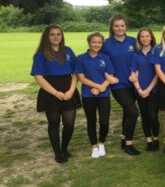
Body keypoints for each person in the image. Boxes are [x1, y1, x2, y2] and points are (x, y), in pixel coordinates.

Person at [31, 24, 81, 163]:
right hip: (50, 92)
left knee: (69, 124)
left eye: (58, 34)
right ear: (47, 36)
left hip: (68, 90)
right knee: (54, 123)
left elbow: (76, 72)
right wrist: (56, 93)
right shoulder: (41, 54)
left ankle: (64, 148)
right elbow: (38, 77)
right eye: (52, 34)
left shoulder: (68, 51)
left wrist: (71, 90)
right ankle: (58, 153)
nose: (55, 37)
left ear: (62, 36)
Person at [102, 14, 141, 155]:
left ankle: (124, 139)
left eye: (122, 25)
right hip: (118, 85)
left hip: (133, 84)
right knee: (133, 111)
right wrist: (107, 77)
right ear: (112, 27)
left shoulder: (133, 41)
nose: (120, 28)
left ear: (126, 26)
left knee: (127, 112)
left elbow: (139, 59)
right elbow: (100, 62)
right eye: (117, 25)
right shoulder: (106, 44)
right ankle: (129, 144)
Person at [75, 32, 117, 158]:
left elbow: (111, 75)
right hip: (88, 95)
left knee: (104, 122)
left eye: (99, 42)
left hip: (103, 95)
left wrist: (101, 88)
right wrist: (98, 87)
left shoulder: (105, 58)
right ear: (89, 43)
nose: (96, 44)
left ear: (102, 44)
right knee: (91, 121)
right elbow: (81, 78)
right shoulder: (81, 58)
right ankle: (94, 146)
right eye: (94, 42)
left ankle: (102, 143)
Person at [129, 27, 159, 151]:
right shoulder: (136, 55)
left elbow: (158, 73)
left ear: (151, 37)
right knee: (145, 116)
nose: (145, 38)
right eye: (142, 36)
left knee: (152, 116)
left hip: (153, 90)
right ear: (139, 39)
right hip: (139, 91)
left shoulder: (156, 52)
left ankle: (156, 139)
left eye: (147, 36)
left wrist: (148, 90)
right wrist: (140, 90)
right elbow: (133, 74)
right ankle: (149, 140)